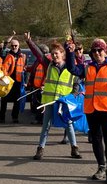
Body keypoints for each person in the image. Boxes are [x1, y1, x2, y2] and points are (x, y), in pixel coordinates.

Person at [69, 38, 107, 183]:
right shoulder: (87, 66)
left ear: (105, 51)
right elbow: (72, 69)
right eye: (94, 51)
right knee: (96, 139)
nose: (97, 53)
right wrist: (70, 52)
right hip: (91, 108)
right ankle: (101, 167)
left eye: (99, 50)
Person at [26, 33, 82, 161]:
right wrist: (29, 41)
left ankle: (74, 148)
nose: (54, 56)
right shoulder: (49, 64)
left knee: (68, 124)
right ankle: (40, 149)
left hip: (64, 101)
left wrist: (72, 95)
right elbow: (39, 54)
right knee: (46, 126)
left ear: (63, 54)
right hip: (50, 101)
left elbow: (76, 83)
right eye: (52, 54)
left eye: (56, 53)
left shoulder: (71, 67)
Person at [0, 32, 25, 123]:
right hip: (7, 80)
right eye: (12, 46)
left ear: (19, 46)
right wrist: (10, 37)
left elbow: (24, 69)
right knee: (4, 99)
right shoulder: (6, 54)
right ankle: (1, 117)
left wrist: (25, 82)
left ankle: (15, 117)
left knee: (17, 100)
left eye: (16, 46)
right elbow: (2, 49)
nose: (14, 47)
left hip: (17, 82)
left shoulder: (23, 56)